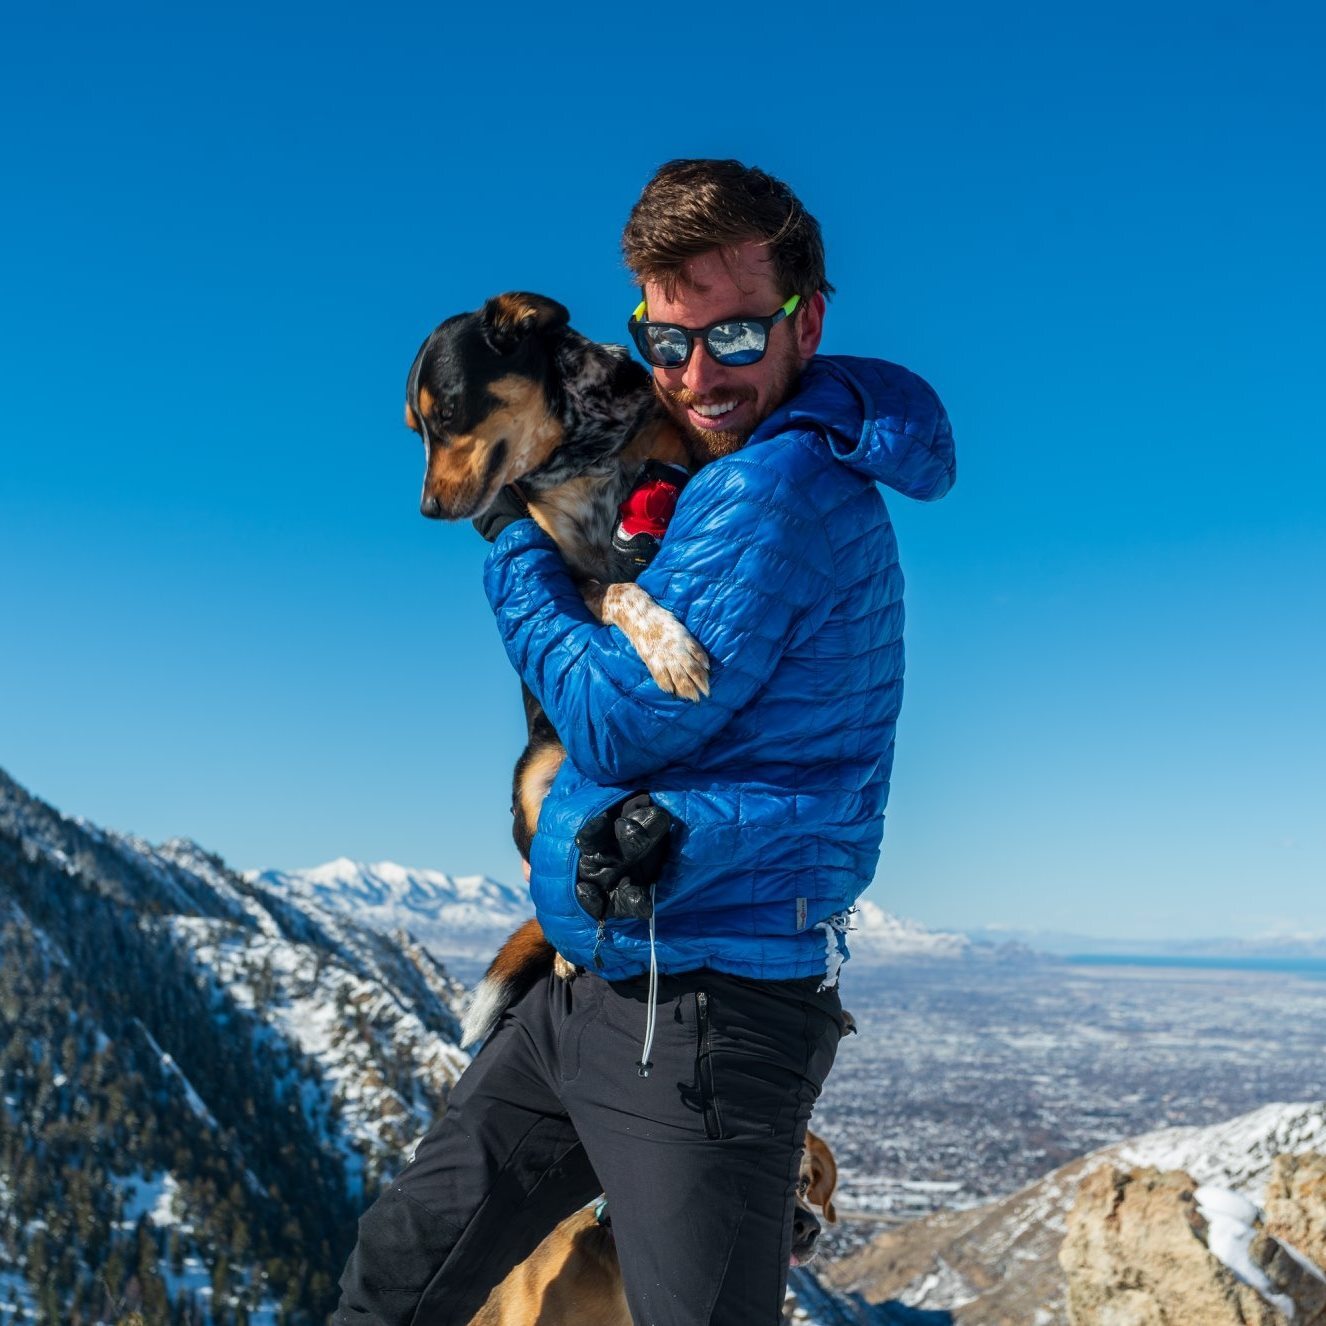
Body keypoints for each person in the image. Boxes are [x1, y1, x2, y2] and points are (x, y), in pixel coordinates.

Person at [334, 158, 956, 1325]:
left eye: (733, 336)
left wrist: (514, 549)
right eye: (668, 344)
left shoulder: (776, 491)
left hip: (707, 1022)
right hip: (592, 985)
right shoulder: (704, 463)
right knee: (397, 1273)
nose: (696, 376)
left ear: (806, 319)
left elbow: (618, 717)